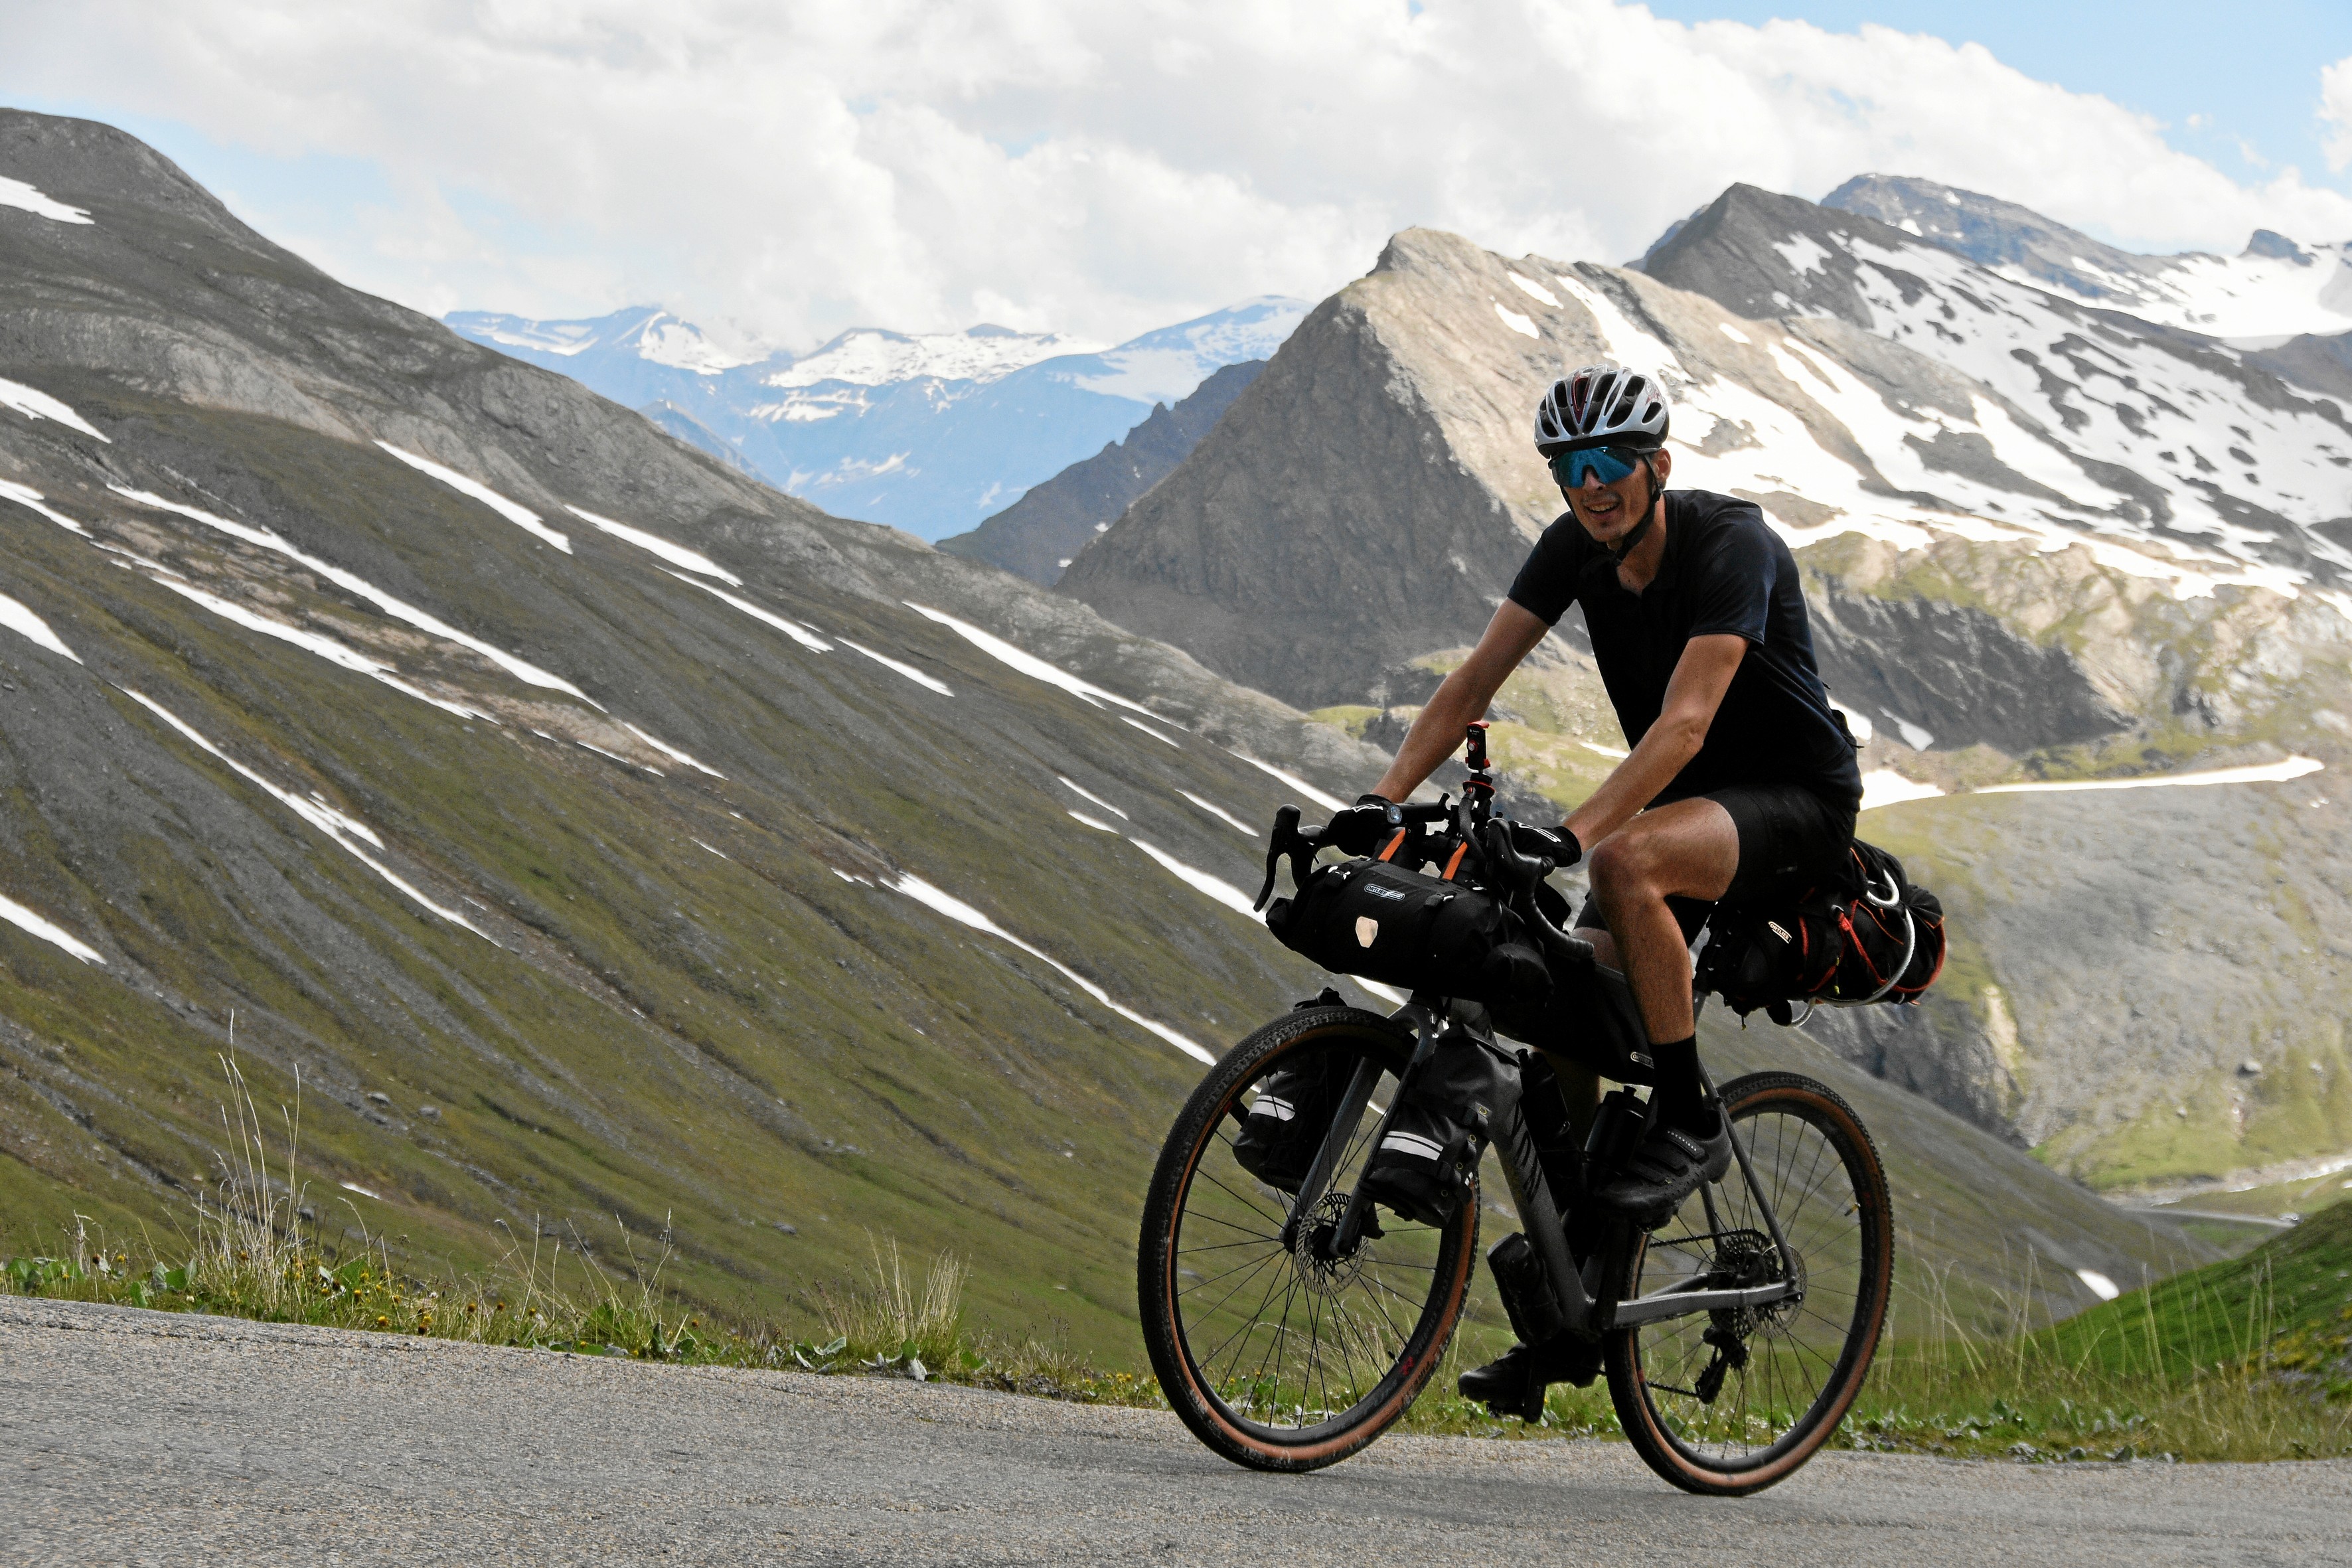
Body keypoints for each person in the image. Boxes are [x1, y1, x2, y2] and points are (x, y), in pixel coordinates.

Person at [1347, 363, 1863, 1415]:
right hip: (1695, 810)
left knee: (1627, 862)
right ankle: (1569, 1304)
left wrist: (1577, 835)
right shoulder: (1577, 550)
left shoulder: (1733, 546)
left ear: (1657, 466)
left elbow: (1685, 725)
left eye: (1610, 464)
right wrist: (1382, 800)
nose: (1590, 485)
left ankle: (1690, 1115)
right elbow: (1471, 681)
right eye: (1569, 468)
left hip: (1793, 801)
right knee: (1555, 996)